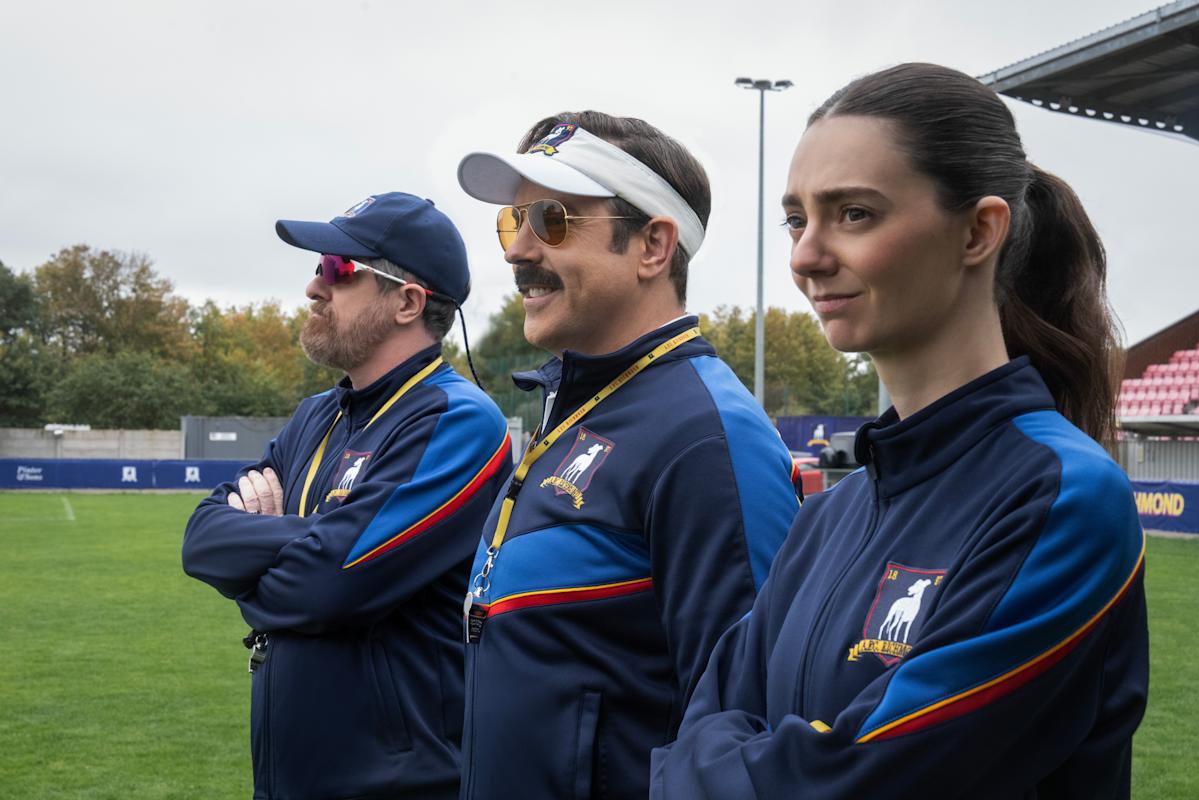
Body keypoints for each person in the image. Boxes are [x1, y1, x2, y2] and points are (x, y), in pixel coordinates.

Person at [651, 63, 1149, 799]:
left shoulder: (1063, 499)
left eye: (854, 213)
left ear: (979, 231)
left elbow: (860, 782)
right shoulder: (826, 518)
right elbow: (694, 730)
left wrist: (717, 769)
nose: (805, 256)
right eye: (797, 220)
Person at [453, 112, 802, 799]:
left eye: (551, 220)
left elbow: (748, 736)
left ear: (652, 246)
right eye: (513, 221)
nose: (517, 250)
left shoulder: (707, 438)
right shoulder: (581, 404)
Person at [181, 192, 513, 800]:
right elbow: (201, 539)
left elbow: (324, 586)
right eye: (318, 267)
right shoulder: (316, 414)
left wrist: (265, 562)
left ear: (408, 302)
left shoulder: (457, 419)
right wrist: (318, 535)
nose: (314, 286)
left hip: (400, 785)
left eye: (337, 269)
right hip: (288, 779)